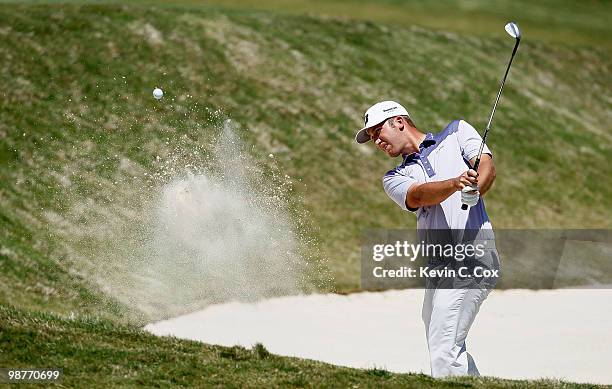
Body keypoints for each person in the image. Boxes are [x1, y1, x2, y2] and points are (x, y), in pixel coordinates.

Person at [355, 100, 500, 377]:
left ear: (398, 122)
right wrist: (456, 183)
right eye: (372, 138)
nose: (376, 141)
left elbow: (486, 167)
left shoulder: (457, 132)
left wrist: (475, 189)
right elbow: (418, 195)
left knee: (444, 347)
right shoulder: (394, 177)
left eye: (377, 132)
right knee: (445, 343)